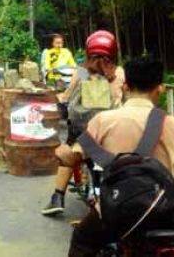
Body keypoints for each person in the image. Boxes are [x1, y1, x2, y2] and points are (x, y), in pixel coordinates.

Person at [68, 56, 174, 257]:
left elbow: (74, 156)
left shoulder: (103, 120)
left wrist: (62, 153)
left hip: (116, 211)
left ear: (125, 86)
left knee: (82, 239)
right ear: (160, 88)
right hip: (164, 210)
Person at [42, 30, 124, 216]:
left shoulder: (80, 72)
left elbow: (66, 96)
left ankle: (57, 197)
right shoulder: (119, 73)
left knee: (69, 152)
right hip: (113, 134)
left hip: (85, 136)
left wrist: (59, 99)